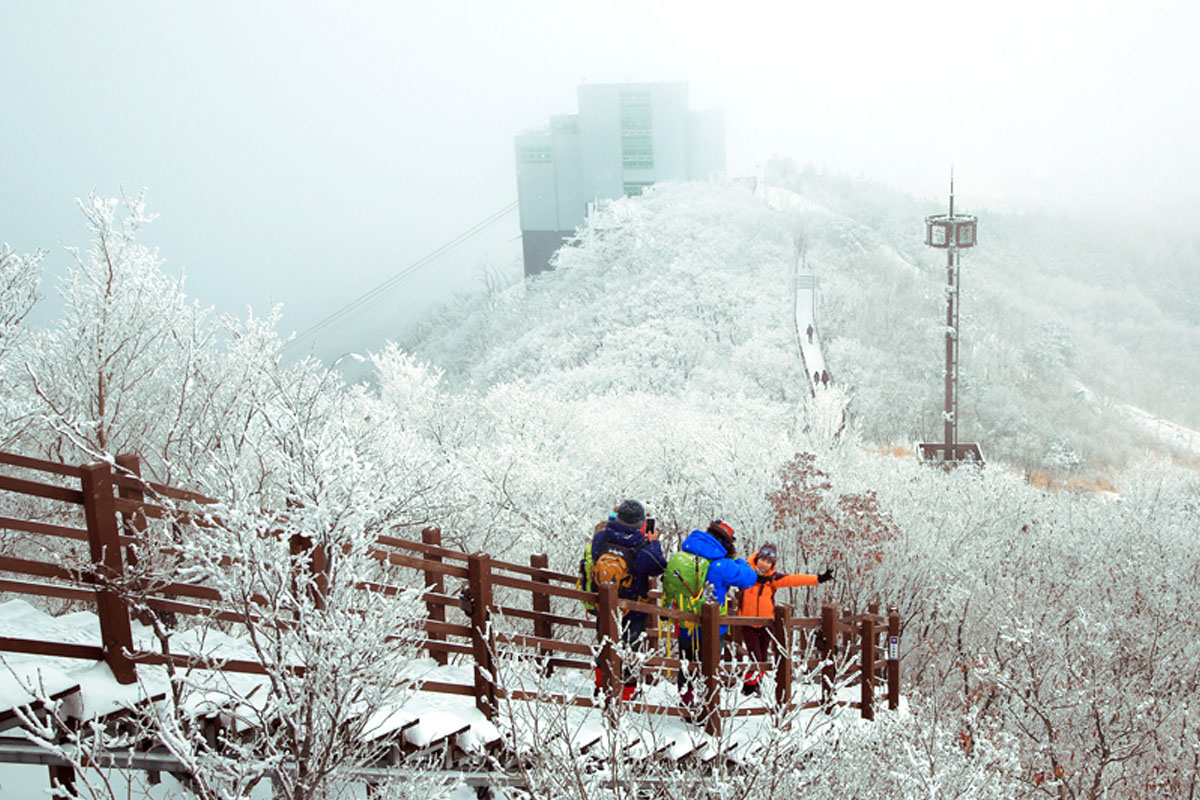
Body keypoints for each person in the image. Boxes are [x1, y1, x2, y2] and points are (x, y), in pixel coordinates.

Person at [664, 520, 757, 711]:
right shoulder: (721, 564)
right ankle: (707, 707)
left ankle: (686, 702)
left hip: (684, 624)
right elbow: (749, 579)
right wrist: (738, 560)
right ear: (727, 542)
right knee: (709, 666)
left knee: (686, 663)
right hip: (711, 628)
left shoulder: (683, 556)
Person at [590, 499, 665, 700]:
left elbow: (594, 559)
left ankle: (601, 686)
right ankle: (627, 693)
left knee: (605, 643)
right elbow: (658, 566)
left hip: (605, 604)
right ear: (641, 523)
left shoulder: (601, 538)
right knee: (631, 649)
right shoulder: (641, 547)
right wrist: (654, 542)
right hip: (633, 608)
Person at [737, 542, 833, 696]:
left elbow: (795, 579)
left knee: (762, 657)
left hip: (767, 624)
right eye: (763, 559)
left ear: (772, 565)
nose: (764, 564)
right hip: (747, 623)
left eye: (769, 562)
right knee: (756, 657)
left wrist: (819, 579)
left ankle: (756, 685)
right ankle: (748, 688)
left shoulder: (773, 579)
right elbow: (727, 574)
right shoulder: (745, 574)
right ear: (757, 558)